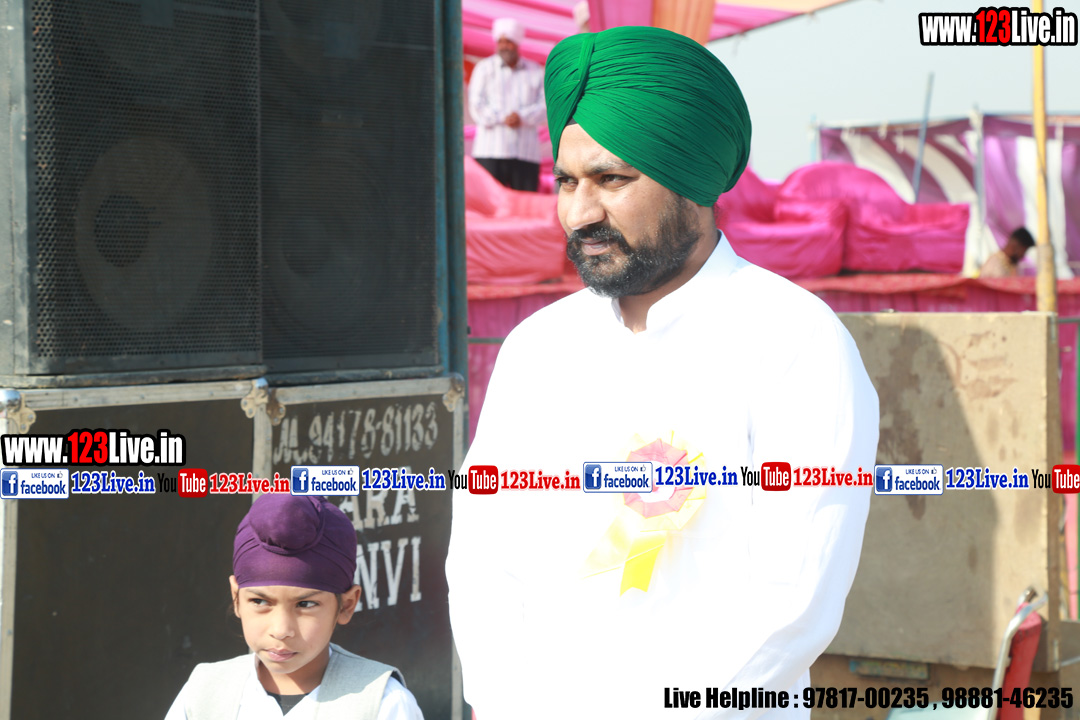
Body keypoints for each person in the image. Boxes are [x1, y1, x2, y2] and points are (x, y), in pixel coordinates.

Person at [446, 26, 879, 719]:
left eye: (612, 180)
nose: (580, 213)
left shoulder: (794, 341)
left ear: (692, 181)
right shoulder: (536, 349)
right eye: (566, 181)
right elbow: (482, 561)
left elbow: (796, 599)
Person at [165, 494, 423, 720]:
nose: (281, 630)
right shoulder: (204, 693)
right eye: (260, 601)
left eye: (305, 604)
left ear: (346, 605)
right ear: (236, 598)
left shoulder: (381, 703)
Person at [468, 18, 546, 192]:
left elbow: (545, 105)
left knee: (525, 204)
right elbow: (476, 104)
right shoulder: (484, 68)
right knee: (489, 203)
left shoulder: (535, 70)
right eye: (500, 42)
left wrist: (521, 117)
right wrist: (503, 118)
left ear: (517, 44)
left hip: (525, 153)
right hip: (490, 151)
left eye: (508, 42)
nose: (504, 46)